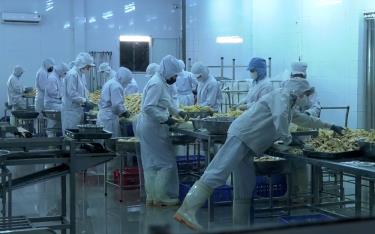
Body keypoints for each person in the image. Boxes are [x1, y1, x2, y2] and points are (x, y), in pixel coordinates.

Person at [174, 79, 344, 230]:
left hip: (250, 143)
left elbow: (304, 119)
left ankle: (240, 225)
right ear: (299, 92)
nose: (307, 98)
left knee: (245, 184)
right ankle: (186, 210)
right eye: (306, 94)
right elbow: (280, 116)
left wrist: (330, 126)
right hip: (242, 136)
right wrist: (288, 138)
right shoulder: (281, 96)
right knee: (218, 171)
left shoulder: (288, 103)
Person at [137, 55, 186, 206]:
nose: (175, 78)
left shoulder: (161, 82)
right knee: (166, 162)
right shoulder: (157, 83)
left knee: (152, 163)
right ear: (168, 71)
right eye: (174, 75)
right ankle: (162, 197)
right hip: (153, 127)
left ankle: (152, 197)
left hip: (151, 126)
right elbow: (149, 107)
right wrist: (166, 119)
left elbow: (166, 101)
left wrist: (177, 112)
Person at [61, 52, 95, 133]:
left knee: (77, 136)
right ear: (82, 65)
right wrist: (85, 101)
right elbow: (72, 93)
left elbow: (84, 90)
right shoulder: (72, 74)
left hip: (77, 110)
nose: (89, 69)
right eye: (88, 66)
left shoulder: (81, 75)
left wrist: (88, 99)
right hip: (70, 112)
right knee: (70, 136)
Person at [97, 67, 132, 137]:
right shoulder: (116, 86)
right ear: (123, 79)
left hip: (104, 115)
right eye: (126, 82)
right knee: (110, 140)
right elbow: (116, 105)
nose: (126, 84)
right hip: (110, 118)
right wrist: (124, 112)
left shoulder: (110, 82)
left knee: (103, 140)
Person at [44, 63, 69, 137]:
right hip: (51, 104)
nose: (65, 74)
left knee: (53, 122)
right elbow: (52, 92)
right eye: (64, 72)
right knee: (66, 109)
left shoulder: (58, 77)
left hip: (55, 103)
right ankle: (51, 139)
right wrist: (62, 95)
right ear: (61, 71)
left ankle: (54, 137)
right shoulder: (52, 78)